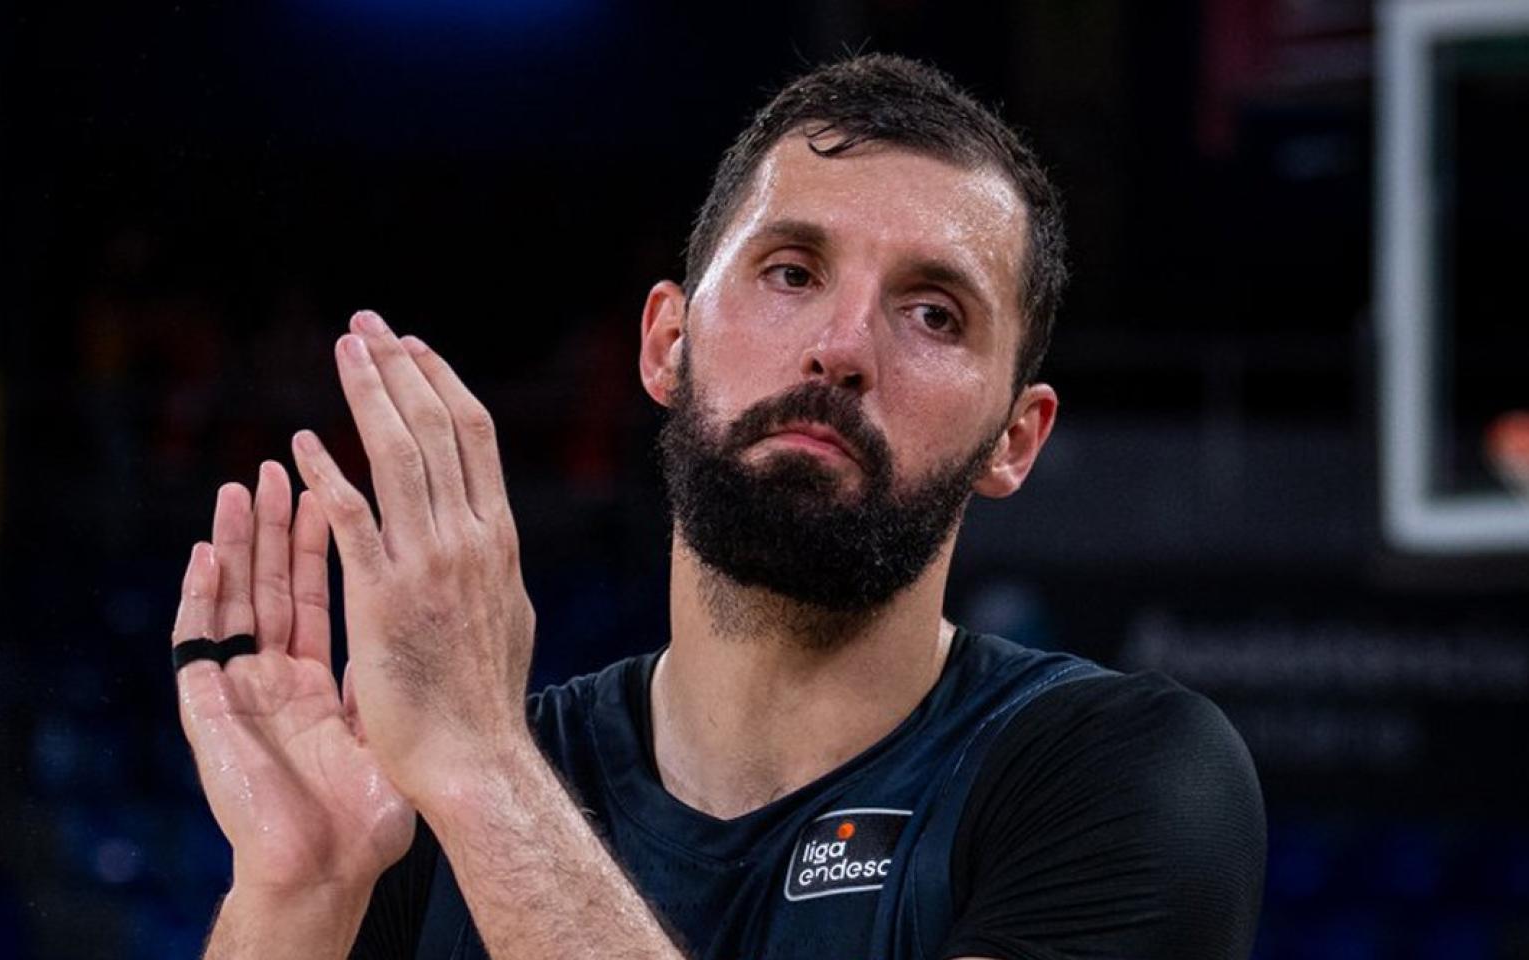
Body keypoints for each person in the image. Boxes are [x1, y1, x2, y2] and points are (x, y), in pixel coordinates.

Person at [166, 54, 1266, 960]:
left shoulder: (1119, 777)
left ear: (1013, 439)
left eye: (933, 314)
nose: (839, 349)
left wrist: (485, 776)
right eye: (789, 272)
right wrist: (301, 889)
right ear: (664, 342)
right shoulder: (434, 801)